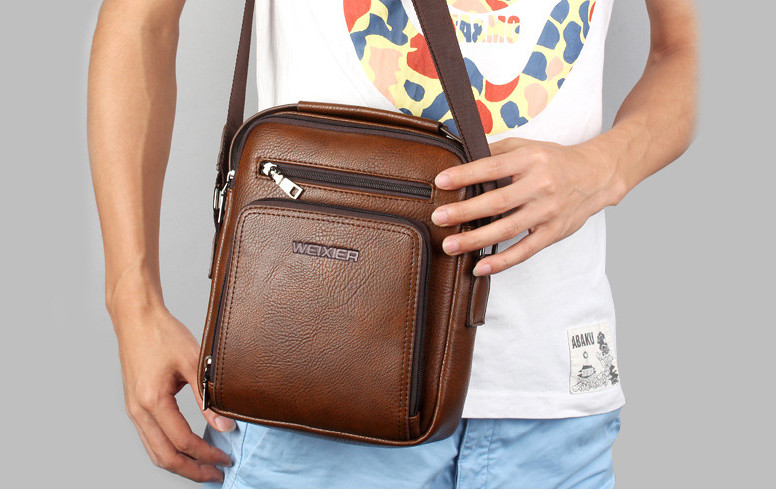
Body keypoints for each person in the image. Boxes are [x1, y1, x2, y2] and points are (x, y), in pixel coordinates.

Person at [87, 0, 697, 487]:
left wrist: (603, 167)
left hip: (557, 405)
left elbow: (685, 48)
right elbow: (142, 19)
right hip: (318, 394)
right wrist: (131, 302)